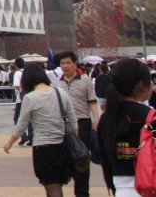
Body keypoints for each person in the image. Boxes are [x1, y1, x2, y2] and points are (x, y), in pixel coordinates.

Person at [3, 63, 76, 196]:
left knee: (51, 185)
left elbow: (21, 125)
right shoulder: (60, 93)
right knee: (57, 183)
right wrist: (77, 141)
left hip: (43, 147)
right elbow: (72, 119)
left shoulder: (30, 98)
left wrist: (9, 142)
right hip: (63, 146)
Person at [96, 58, 153, 196]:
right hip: (150, 186)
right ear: (141, 85)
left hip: (120, 189)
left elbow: (105, 159)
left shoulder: (106, 118)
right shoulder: (151, 116)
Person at [53, 51, 99, 197]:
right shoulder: (57, 83)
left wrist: (97, 120)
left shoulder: (85, 80)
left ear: (75, 64)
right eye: (62, 63)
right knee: (64, 160)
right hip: (63, 127)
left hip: (82, 124)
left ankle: (82, 193)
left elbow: (92, 101)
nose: (65, 66)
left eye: (68, 63)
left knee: (82, 159)